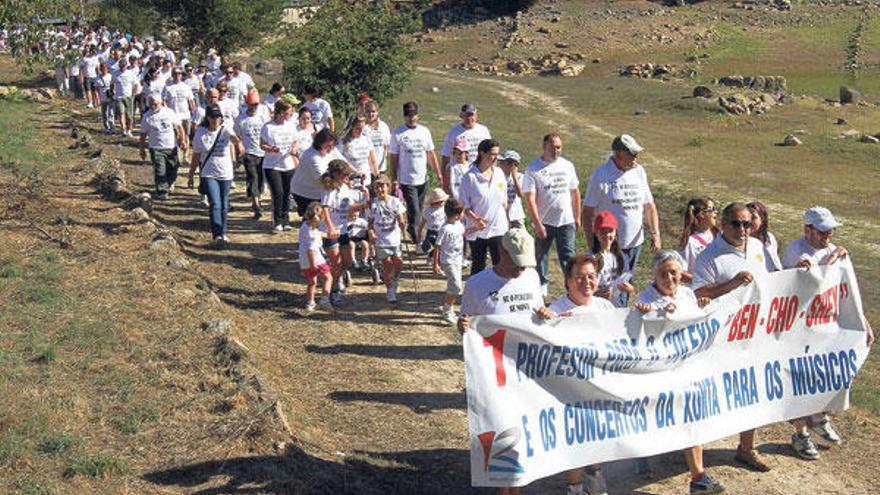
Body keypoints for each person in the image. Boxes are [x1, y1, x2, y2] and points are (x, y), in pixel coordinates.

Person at [781, 206, 875, 450]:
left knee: (830, 371)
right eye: (823, 231)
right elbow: (809, 280)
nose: (828, 236)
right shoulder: (796, 251)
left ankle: (820, 415)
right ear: (808, 230)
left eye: (830, 231)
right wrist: (832, 261)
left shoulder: (833, 250)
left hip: (827, 324)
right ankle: (800, 434)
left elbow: (846, 290)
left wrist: (861, 320)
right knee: (801, 380)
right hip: (801, 328)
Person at [633, 251, 724, 495]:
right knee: (653, 418)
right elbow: (634, 334)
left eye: (673, 272)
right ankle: (640, 454)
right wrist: (647, 314)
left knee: (690, 417)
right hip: (657, 374)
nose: (669, 278)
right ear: (654, 275)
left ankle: (698, 477)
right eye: (663, 273)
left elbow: (699, 322)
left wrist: (702, 307)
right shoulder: (645, 300)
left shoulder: (686, 294)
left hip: (686, 371)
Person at [691, 202, 770, 472]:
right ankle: (695, 457)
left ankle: (746, 448)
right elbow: (699, 295)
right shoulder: (709, 256)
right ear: (722, 225)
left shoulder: (758, 248)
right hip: (721, 338)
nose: (742, 229)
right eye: (735, 223)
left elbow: (772, 283)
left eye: (747, 224)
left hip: (754, 332)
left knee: (753, 390)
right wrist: (733, 283)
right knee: (712, 393)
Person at [548, 254, 615, 495]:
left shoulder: (606, 307)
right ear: (567, 281)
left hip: (600, 385)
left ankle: (595, 485)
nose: (586, 282)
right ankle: (574, 488)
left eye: (591, 276)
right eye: (579, 277)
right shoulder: (555, 310)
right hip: (570, 388)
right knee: (576, 438)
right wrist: (547, 323)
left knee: (597, 436)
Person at [582, 134, 661, 277]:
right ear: (619, 154)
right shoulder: (600, 175)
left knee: (626, 283)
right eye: (632, 154)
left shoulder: (639, 171)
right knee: (612, 286)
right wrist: (592, 246)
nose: (636, 158)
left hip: (635, 243)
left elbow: (649, 205)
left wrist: (655, 233)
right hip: (610, 244)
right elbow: (587, 213)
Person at [523, 133, 581, 295]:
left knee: (568, 257)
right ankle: (541, 287)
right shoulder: (533, 169)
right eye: (552, 147)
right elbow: (530, 198)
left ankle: (572, 288)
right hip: (544, 221)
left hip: (566, 220)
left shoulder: (567, 166)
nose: (556, 150)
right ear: (544, 147)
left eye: (558, 147)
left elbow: (575, 192)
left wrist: (577, 217)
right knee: (541, 255)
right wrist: (537, 223)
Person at [187, 104, 243, 246]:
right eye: (213, 116)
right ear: (208, 117)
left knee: (224, 204)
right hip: (208, 172)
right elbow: (196, 155)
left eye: (218, 116)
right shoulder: (201, 132)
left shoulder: (225, 129)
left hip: (225, 172)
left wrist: (238, 143)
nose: (216, 119)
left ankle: (224, 232)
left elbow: (234, 138)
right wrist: (191, 174)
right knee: (215, 203)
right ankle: (217, 234)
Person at [389, 101, 442, 243]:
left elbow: (431, 154)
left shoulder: (424, 131)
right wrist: (394, 178)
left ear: (417, 115)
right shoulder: (397, 133)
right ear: (404, 116)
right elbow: (393, 157)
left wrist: (438, 173)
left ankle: (412, 229)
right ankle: (417, 239)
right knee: (414, 211)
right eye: (408, 115)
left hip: (422, 179)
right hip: (407, 180)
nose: (411, 118)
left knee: (419, 208)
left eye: (413, 115)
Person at [321, 161, 368, 305]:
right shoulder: (328, 189)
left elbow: (349, 208)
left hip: (343, 230)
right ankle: (333, 290)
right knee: (336, 262)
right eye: (343, 174)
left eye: (347, 174)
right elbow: (325, 209)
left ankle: (338, 278)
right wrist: (330, 227)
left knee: (347, 261)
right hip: (330, 231)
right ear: (335, 174)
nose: (346, 176)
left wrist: (366, 202)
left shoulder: (345, 188)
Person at [459, 139, 508, 275]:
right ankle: (475, 293)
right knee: (478, 263)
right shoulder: (469, 177)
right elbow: (464, 205)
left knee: (499, 262)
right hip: (478, 229)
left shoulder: (499, 173)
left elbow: (504, 200)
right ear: (482, 153)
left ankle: (498, 292)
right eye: (492, 154)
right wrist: (476, 220)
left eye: (497, 154)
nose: (495, 158)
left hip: (498, 226)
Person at [292, 129, 356, 218]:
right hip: (305, 192)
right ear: (319, 143)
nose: (331, 148)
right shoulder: (312, 156)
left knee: (323, 218)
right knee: (312, 218)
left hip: (320, 190)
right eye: (328, 146)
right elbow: (325, 179)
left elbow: (345, 164)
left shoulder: (332, 150)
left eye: (333, 145)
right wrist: (346, 182)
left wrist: (357, 173)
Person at [433, 198, 478, 324]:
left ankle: (449, 308)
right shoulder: (445, 229)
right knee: (456, 287)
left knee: (454, 286)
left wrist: (477, 228)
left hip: (458, 260)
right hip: (448, 261)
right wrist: (435, 264)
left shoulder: (459, 225)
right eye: (462, 213)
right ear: (457, 215)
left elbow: (465, 233)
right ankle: (447, 310)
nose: (463, 215)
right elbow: (437, 246)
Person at [260, 99, 300, 232]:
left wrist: (294, 148)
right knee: (278, 193)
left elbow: (296, 140)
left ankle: (286, 220)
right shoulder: (268, 127)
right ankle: (277, 221)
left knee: (287, 193)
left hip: (288, 164)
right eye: (289, 111)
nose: (291, 114)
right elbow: (262, 144)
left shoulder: (291, 125)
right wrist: (271, 148)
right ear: (281, 112)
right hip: (272, 165)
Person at [139, 94, 187, 200]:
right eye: (151, 104)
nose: (153, 106)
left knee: (173, 167)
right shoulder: (147, 116)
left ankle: (169, 183)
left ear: (160, 103)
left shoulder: (169, 113)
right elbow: (143, 134)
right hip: (156, 147)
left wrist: (182, 140)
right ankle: (162, 190)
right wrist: (142, 149)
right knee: (160, 169)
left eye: (155, 104)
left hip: (171, 146)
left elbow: (179, 127)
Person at [367, 174, 407, 302]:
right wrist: (371, 233)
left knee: (399, 262)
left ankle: (395, 278)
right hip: (381, 241)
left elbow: (401, 216)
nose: (379, 190)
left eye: (382, 186)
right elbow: (370, 223)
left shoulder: (395, 201)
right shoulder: (373, 204)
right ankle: (390, 291)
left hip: (394, 239)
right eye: (377, 187)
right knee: (387, 264)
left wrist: (401, 223)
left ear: (388, 187)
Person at [439, 103, 491, 193]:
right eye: (466, 115)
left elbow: (490, 152)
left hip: (480, 173)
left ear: (476, 116)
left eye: (472, 115)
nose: (469, 118)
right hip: (460, 175)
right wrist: (444, 180)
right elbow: (445, 156)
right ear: (461, 116)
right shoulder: (454, 132)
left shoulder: (483, 131)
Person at [235, 89, 270, 219]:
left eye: (256, 104)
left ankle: (257, 198)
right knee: (252, 177)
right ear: (247, 103)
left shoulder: (262, 118)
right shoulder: (241, 119)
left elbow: (268, 133)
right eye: (252, 104)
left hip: (262, 153)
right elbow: (237, 136)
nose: (254, 106)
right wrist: (239, 149)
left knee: (260, 178)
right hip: (248, 153)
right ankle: (256, 203)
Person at [590, 211, 634, 307]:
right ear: (596, 233)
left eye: (610, 231)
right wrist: (598, 294)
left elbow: (631, 287)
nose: (607, 235)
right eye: (603, 231)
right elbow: (584, 291)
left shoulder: (621, 256)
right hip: (596, 307)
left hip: (615, 307)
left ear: (615, 233)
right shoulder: (591, 258)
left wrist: (625, 287)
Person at [299, 202, 335, 312]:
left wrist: (328, 235)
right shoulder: (313, 235)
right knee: (328, 277)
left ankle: (310, 303)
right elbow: (311, 250)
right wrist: (313, 264)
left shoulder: (305, 226)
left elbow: (318, 232)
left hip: (303, 260)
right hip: (315, 260)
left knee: (312, 282)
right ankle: (325, 301)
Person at [678, 196, 718, 283]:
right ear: (701, 214)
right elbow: (681, 272)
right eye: (712, 209)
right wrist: (702, 283)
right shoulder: (690, 242)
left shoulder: (719, 236)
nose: (716, 212)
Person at [337, 114, 378, 187]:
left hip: (366, 181)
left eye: (363, 128)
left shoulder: (367, 139)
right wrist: (357, 173)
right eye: (358, 128)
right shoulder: (342, 141)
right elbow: (341, 162)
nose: (361, 131)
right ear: (351, 127)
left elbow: (372, 161)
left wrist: (377, 176)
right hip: (350, 182)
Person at [747, 201, 782, 272]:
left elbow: (775, 262)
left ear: (762, 220)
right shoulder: (740, 240)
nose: (749, 221)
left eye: (753, 217)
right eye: (747, 217)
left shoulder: (769, 238)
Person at [163, 66, 196, 139]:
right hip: (174, 115)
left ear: (182, 75)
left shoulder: (186, 87)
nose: (177, 75)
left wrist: (193, 113)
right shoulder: (167, 87)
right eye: (175, 73)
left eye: (179, 73)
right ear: (172, 74)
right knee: (176, 135)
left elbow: (191, 101)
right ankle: (176, 149)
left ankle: (185, 150)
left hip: (185, 115)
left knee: (186, 135)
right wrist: (167, 113)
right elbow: (164, 101)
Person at [112, 57, 139, 137]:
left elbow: (136, 84)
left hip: (128, 96)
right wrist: (113, 92)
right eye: (121, 66)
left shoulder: (130, 73)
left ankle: (129, 130)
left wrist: (133, 94)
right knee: (121, 113)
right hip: (119, 97)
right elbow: (112, 83)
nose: (122, 67)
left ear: (126, 66)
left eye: (124, 66)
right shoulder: (115, 73)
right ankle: (123, 129)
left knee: (129, 115)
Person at [362, 100, 391, 174]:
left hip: (380, 168)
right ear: (364, 112)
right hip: (365, 168)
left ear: (377, 112)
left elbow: (387, 145)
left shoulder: (383, 126)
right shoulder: (362, 127)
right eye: (368, 111)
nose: (370, 114)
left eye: (373, 111)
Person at [419, 188, 449, 258]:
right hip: (431, 231)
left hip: (441, 231)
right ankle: (432, 256)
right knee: (434, 246)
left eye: (443, 201)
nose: (442, 203)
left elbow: (448, 219)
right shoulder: (428, 210)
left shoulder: (445, 209)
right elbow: (423, 222)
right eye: (441, 201)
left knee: (441, 247)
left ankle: (433, 257)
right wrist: (419, 233)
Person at [499, 150, 525, 228]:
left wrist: (514, 176)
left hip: (516, 215)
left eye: (503, 162)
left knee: (520, 238)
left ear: (512, 164)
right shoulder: (498, 176)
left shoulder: (520, 177)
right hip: (502, 215)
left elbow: (520, 194)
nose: (500, 164)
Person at [94, 62, 115, 133]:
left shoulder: (110, 76)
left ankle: (112, 127)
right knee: (104, 113)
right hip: (102, 97)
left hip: (110, 97)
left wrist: (113, 93)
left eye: (105, 68)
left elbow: (114, 86)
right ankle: (106, 127)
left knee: (111, 113)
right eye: (102, 68)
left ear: (107, 69)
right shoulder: (97, 78)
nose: (104, 70)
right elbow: (96, 90)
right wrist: (97, 99)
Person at [448, 136, 470, 201]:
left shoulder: (472, 166)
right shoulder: (451, 167)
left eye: (460, 153)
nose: (457, 155)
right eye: (455, 152)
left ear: (466, 153)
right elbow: (447, 186)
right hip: (456, 199)